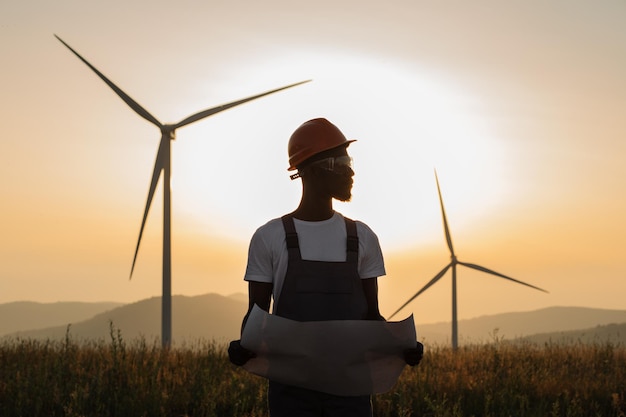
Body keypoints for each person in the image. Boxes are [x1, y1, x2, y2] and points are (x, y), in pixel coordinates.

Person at [228, 118, 423, 417]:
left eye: (349, 160)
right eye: (341, 161)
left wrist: (400, 346)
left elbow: (372, 317)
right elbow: (257, 318)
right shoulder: (269, 237)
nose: (351, 170)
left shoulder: (362, 237)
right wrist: (243, 346)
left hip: (352, 393)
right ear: (313, 170)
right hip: (290, 395)